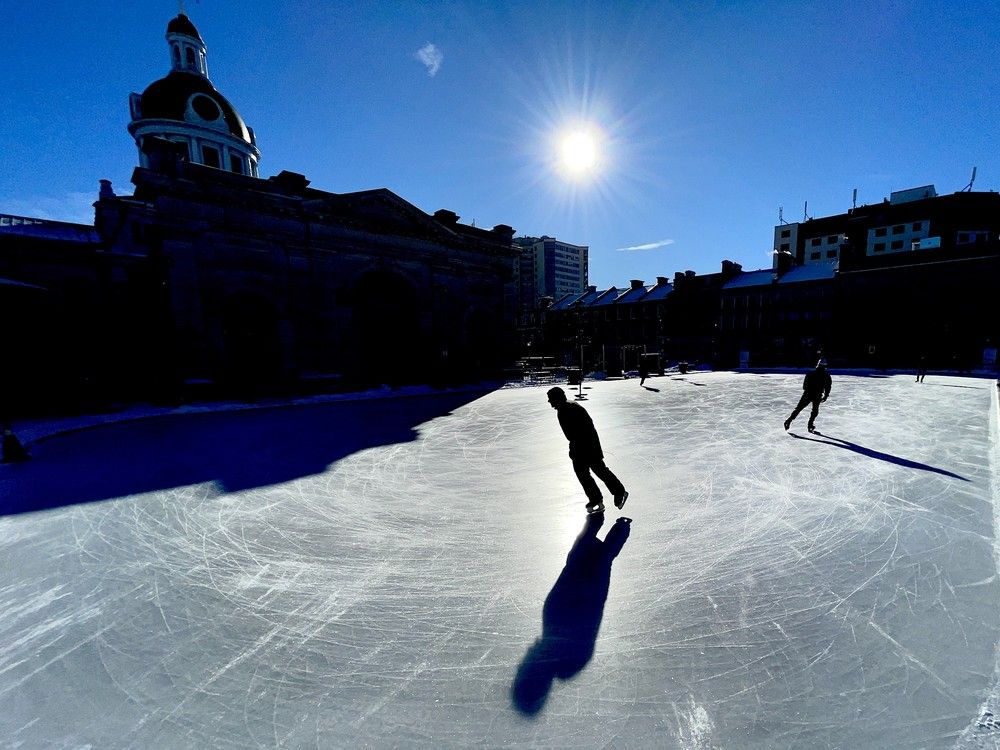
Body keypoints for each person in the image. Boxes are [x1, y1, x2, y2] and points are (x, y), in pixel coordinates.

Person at [546, 386, 628, 514]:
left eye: (550, 399)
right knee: (586, 473)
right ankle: (597, 498)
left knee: (596, 471)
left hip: (586, 447)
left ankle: (618, 492)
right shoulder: (568, 406)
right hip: (585, 446)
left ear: (557, 398)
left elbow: (573, 433)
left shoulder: (566, 409)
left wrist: (575, 448)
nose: (549, 402)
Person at [784, 359, 832, 434]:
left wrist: (811, 389)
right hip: (817, 395)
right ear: (825, 366)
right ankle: (810, 425)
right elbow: (828, 387)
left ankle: (788, 421)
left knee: (799, 408)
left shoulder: (810, 374)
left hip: (808, 394)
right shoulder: (827, 376)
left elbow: (804, 387)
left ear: (818, 365)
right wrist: (825, 396)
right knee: (815, 411)